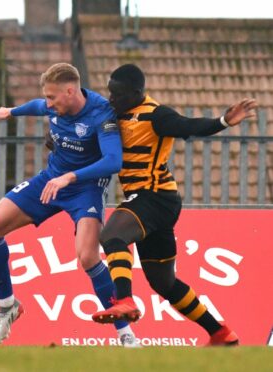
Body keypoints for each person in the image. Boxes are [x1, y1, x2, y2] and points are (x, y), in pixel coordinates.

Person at [91, 64, 257, 346]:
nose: (111, 98)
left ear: (136, 93)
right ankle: (221, 333)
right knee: (163, 282)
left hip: (154, 197)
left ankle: (124, 300)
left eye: (117, 94)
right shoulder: (115, 114)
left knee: (111, 235)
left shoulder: (156, 114)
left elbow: (188, 126)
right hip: (155, 202)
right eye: (110, 92)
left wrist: (222, 122)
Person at [0, 62, 138, 347]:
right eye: (47, 98)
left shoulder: (102, 114)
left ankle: (125, 333)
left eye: (52, 98)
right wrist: (11, 112)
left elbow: (113, 161)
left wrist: (71, 177)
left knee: (89, 257)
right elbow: (37, 105)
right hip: (50, 181)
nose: (48, 104)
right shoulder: (56, 105)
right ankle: (8, 306)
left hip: (85, 189)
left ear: (70, 91)